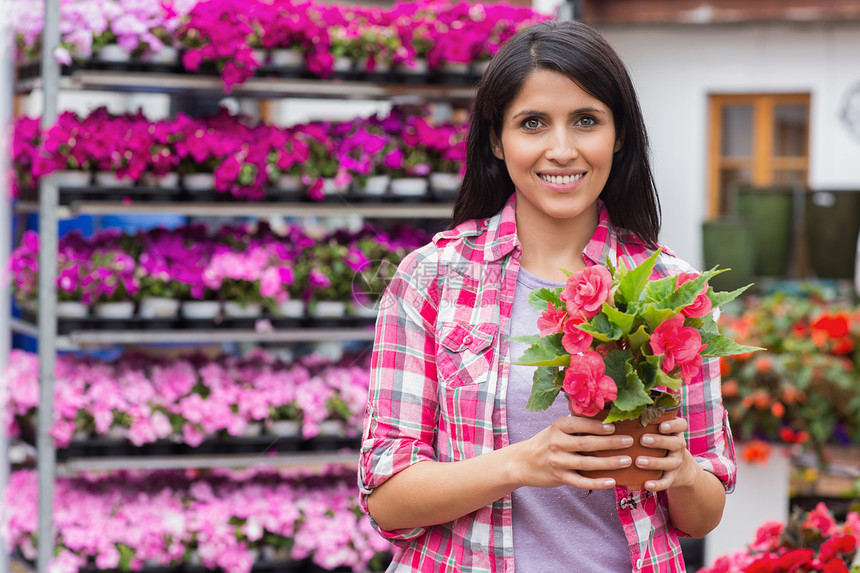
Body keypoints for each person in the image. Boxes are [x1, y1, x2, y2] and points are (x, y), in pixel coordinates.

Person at [359, 19, 736, 572]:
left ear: (620, 134)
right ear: (496, 138)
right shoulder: (429, 277)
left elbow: (704, 515)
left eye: (586, 120)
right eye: (532, 123)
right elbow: (387, 499)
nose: (561, 150)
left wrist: (680, 472)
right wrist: (524, 463)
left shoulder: (673, 288)